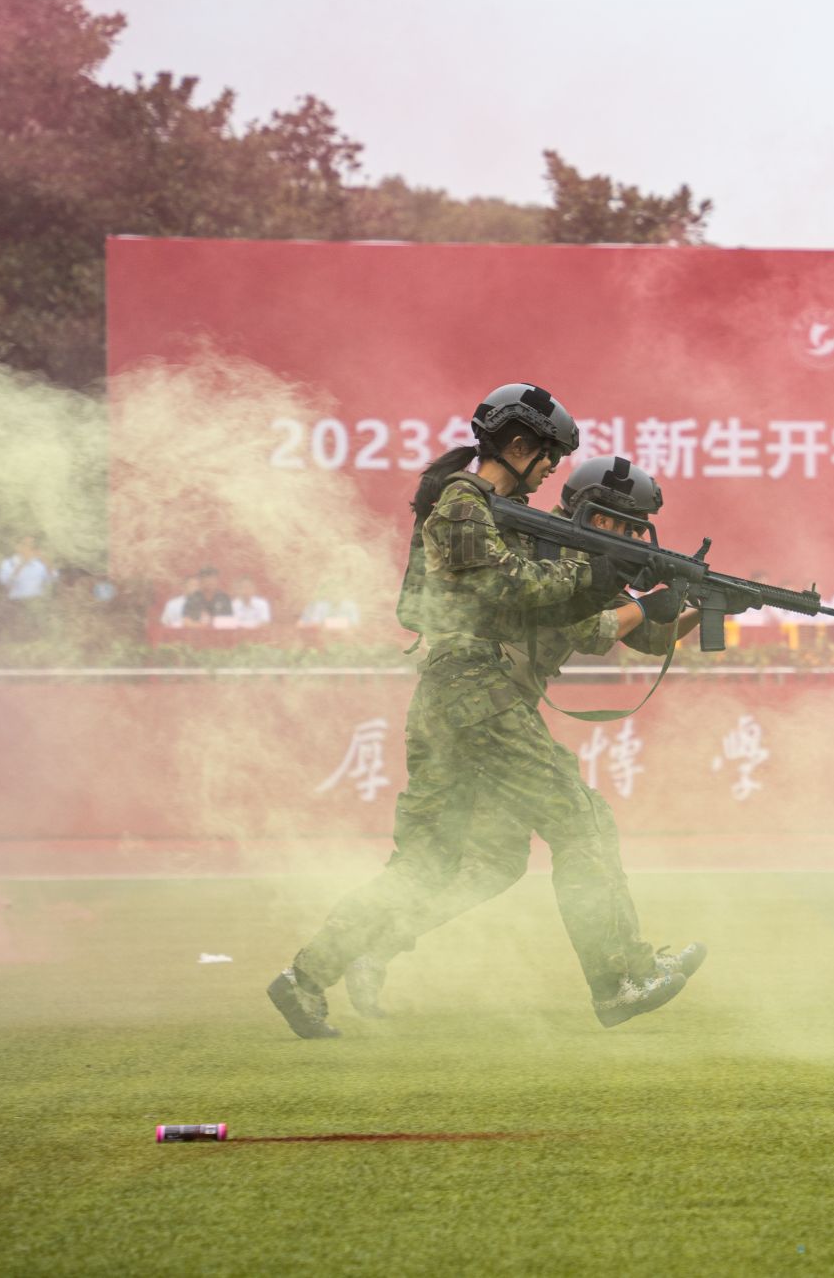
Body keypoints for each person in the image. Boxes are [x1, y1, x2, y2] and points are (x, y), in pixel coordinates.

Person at [269, 385, 701, 1039]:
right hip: (474, 686)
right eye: (547, 455)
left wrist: (687, 603)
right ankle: (620, 978)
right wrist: (617, 583)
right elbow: (514, 588)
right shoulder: (466, 504)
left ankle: (305, 977)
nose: (550, 469)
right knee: (580, 818)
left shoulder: (503, 515)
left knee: (445, 862)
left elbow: (599, 621)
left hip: (459, 695)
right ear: (519, 445)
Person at [0, 535, 53, 602]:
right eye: (26, 544)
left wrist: (44, 559)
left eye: (32, 545)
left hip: (39, 602)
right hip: (16, 603)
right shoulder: (8, 563)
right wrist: (22, 564)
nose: (29, 548)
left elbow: (52, 581)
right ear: (17, 546)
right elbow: (5, 587)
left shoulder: (39, 564)